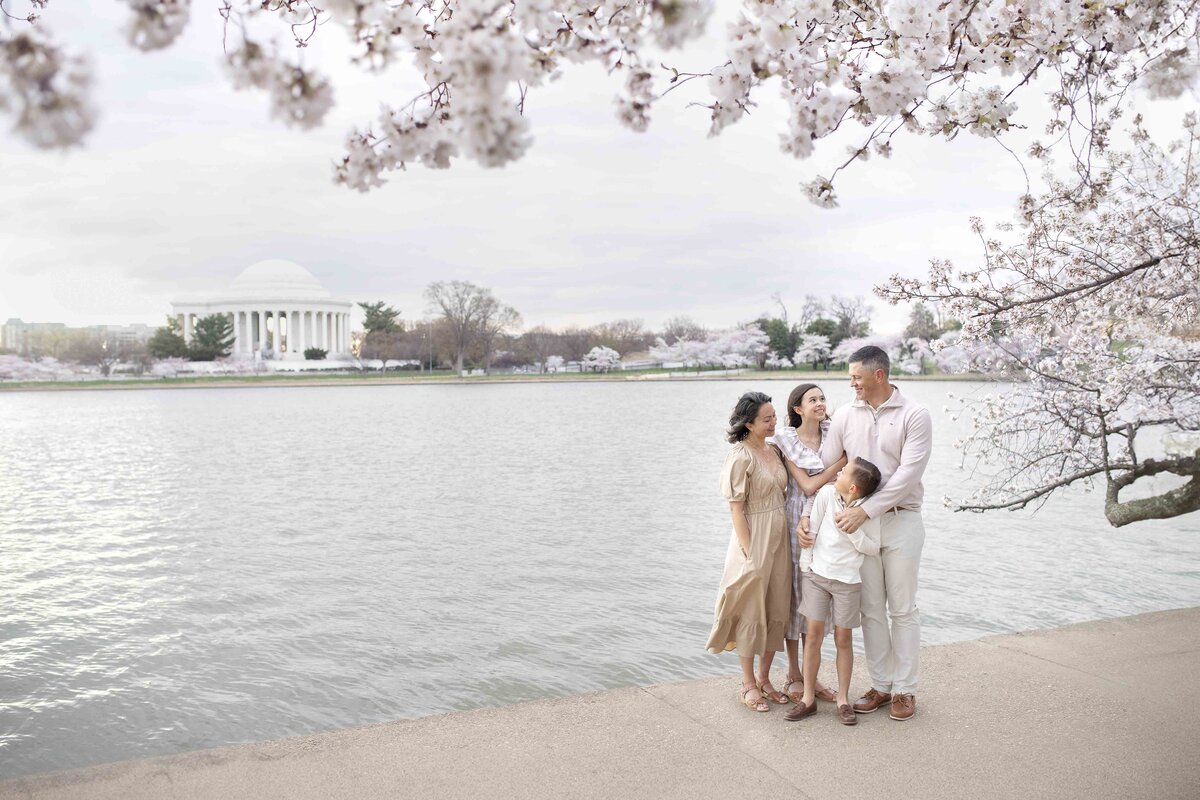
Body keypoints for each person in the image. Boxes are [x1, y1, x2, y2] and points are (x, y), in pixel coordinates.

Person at [804, 345, 932, 722]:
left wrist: (865, 510)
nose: (851, 383)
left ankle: (905, 689)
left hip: (901, 519)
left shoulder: (915, 415)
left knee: (903, 608)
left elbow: (909, 476)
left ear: (879, 375)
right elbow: (827, 465)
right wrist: (808, 510)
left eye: (856, 377)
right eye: (850, 377)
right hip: (858, 526)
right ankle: (881, 684)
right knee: (871, 608)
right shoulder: (844, 415)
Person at [705, 392, 792, 712]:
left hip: (780, 536)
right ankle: (747, 683)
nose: (773, 423)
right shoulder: (740, 456)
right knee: (750, 609)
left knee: (776, 605)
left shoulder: (775, 450)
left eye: (774, 417)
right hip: (753, 537)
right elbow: (736, 510)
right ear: (749, 423)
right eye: (767, 419)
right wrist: (749, 553)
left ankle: (765, 678)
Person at [762, 383, 845, 705]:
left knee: (821, 594)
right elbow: (807, 485)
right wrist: (839, 465)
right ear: (798, 408)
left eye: (822, 398)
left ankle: (810, 677)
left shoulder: (833, 432)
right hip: (798, 516)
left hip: (830, 515)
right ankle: (794, 675)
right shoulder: (787, 439)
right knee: (797, 594)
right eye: (813, 400)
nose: (820, 403)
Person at [784, 457, 883, 725]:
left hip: (847, 582)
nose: (838, 471)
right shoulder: (826, 494)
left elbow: (874, 547)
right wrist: (807, 569)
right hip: (816, 577)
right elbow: (811, 533)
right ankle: (807, 699)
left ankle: (842, 699)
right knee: (813, 635)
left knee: (843, 639)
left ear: (853, 488)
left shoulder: (867, 511)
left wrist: (852, 531)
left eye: (844, 471)